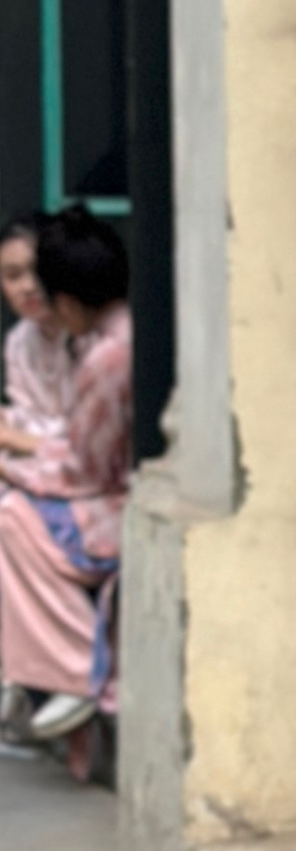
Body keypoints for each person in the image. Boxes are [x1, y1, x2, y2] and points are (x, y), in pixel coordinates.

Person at [0, 207, 132, 745]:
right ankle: (19, 671)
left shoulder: (104, 352)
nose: (30, 291)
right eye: (11, 276)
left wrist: (14, 458)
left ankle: (77, 672)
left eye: (37, 276)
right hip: (85, 478)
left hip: (108, 496)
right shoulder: (25, 343)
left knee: (9, 515)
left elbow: (82, 462)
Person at [0, 211, 78, 455]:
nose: (28, 287)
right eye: (13, 276)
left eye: (37, 270)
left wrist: (15, 439)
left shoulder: (91, 333)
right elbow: (28, 415)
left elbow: (89, 442)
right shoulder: (18, 341)